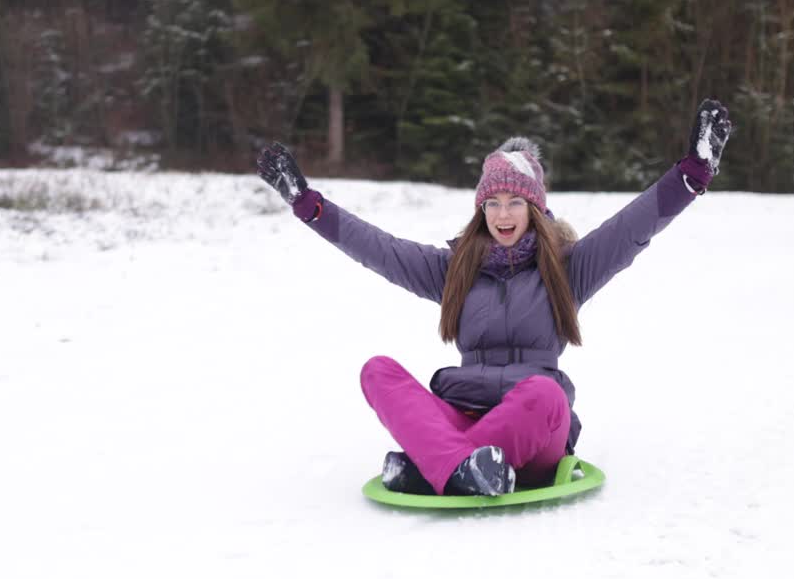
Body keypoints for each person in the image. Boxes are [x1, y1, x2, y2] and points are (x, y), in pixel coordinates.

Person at [257, 100, 733, 496]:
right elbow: (380, 250)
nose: (503, 214)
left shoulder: (566, 269)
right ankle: (463, 468)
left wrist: (690, 176)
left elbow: (632, 228)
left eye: (514, 203)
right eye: (492, 204)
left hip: (531, 433)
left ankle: (433, 468)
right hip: (461, 414)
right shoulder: (455, 271)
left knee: (546, 394)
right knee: (378, 371)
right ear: (481, 210)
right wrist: (310, 208)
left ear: (535, 209)